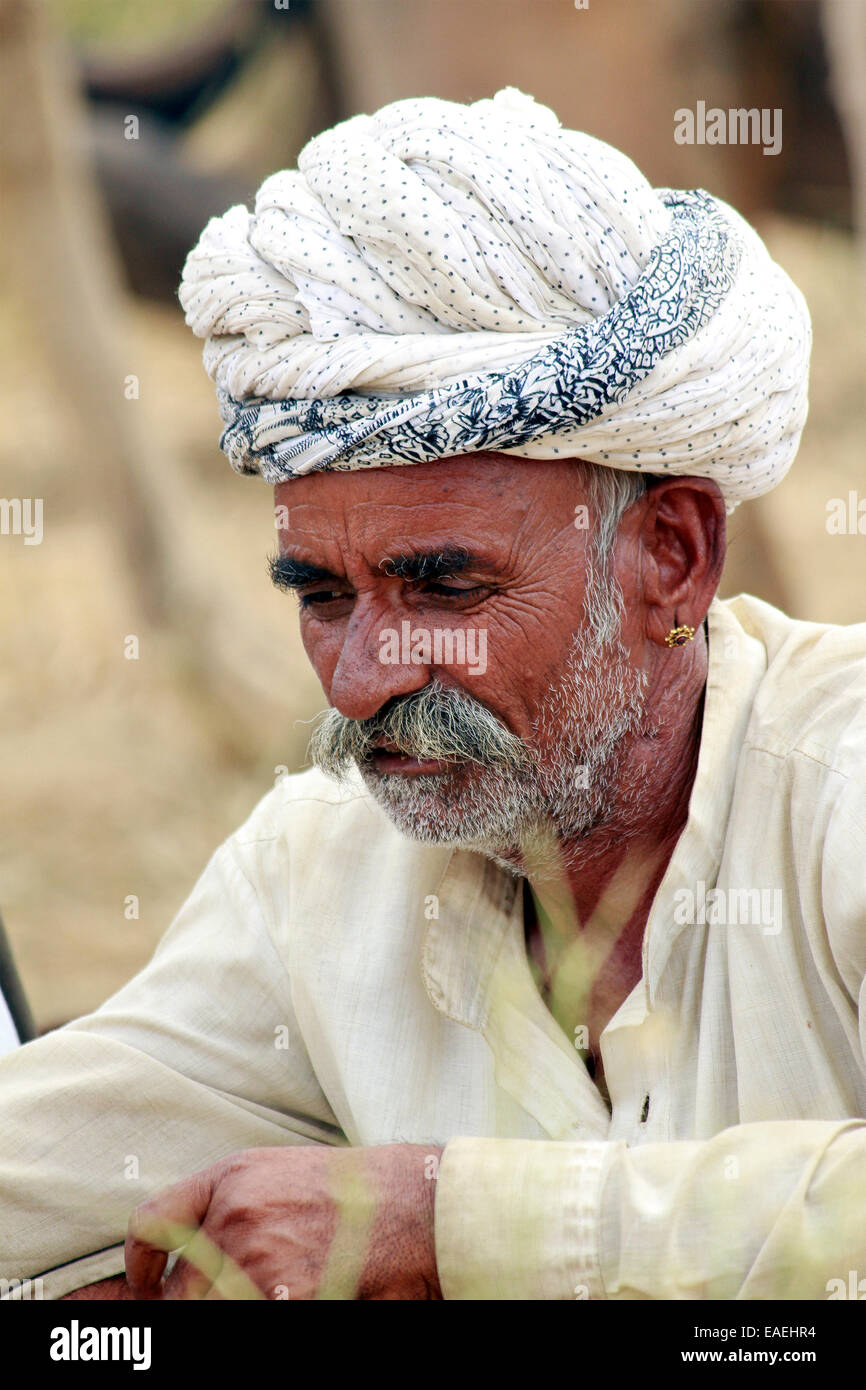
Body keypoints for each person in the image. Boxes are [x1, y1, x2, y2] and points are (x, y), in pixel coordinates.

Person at [2, 90, 864, 1302]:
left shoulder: (841, 784)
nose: (362, 680)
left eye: (444, 586)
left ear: (668, 555)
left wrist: (445, 1222)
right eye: (319, 595)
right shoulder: (317, 876)